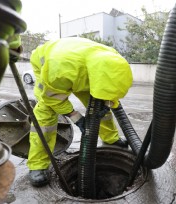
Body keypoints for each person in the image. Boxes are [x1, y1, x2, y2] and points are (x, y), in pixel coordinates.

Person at [27, 37, 133, 187]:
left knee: (102, 109)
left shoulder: (113, 60)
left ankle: (110, 138)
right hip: (49, 64)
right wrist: (76, 117)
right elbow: (53, 98)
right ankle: (38, 164)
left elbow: (112, 90)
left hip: (83, 67)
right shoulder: (59, 71)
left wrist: (108, 102)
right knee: (46, 114)